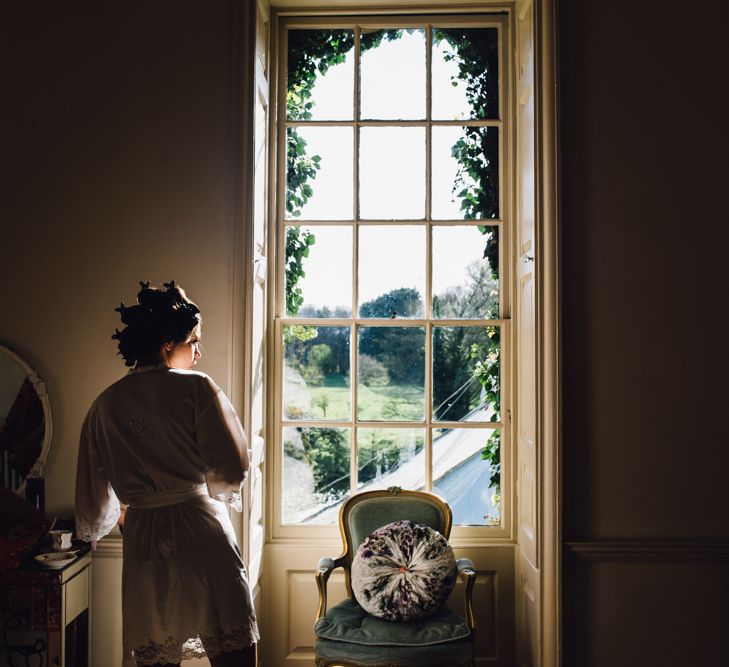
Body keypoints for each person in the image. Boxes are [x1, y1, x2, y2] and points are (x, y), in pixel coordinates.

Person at [75, 281, 259, 667]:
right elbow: (231, 467)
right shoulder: (197, 387)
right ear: (167, 343)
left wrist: (130, 511)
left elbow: (94, 497)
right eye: (194, 340)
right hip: (201, 527)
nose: (199, 351)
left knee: (157, 655)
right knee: (233, 651)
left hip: (146, 539)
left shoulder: (103, 406)